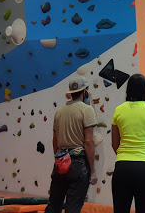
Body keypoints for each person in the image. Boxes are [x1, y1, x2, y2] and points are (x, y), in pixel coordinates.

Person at [111, 74, 145, 213]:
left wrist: (125, 157)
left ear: (128, 90)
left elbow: (114, 144)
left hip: (123, 167)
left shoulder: (119, 110)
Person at [45, 76, 98, 213]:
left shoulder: (59, 111)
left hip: (61, 162)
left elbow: (55, 140)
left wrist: (59, 159)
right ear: (85, 92)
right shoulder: (87, 110)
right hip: (78, 162)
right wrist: (92, 171)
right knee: (73, 208)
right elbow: (88, 142)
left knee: (53, 206)